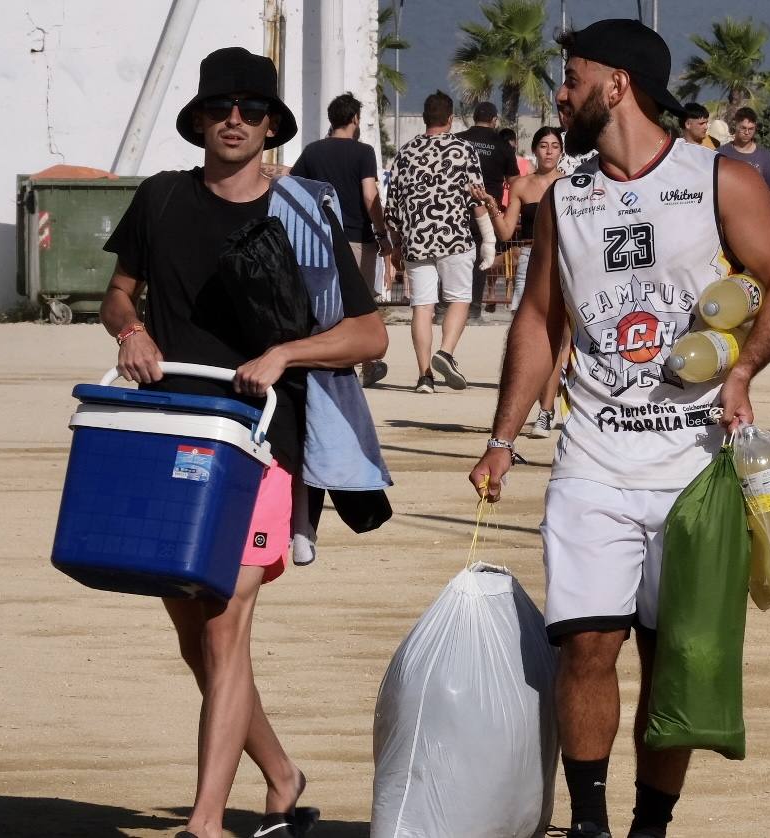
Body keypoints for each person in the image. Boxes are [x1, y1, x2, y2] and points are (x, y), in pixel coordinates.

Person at [468, 19, 770, 838]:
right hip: (593, 453)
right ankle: (588, 824)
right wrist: (501, 437)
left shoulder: (717, 178)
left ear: (616, 84)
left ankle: (648, 828)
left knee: (671, 660)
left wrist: (741, 369)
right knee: (585, 643)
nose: (560, 92)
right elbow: (538, 317)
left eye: (572, 76)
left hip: (695, 463)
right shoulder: (567, 197)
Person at [98, 47, 388, 838]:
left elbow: (366, 333)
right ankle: (282, 773)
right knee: (197, 635)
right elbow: (119, 293)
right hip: (166, 430)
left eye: (252, 110)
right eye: (222, 107)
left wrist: (284, 353)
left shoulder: (302, 211)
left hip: (261, 442)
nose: (235, 119)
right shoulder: (158, 200)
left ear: (270, 127)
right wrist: (128, 330)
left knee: (223, 617)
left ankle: (202, 824)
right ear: (198, 119)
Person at [384, 90, 496, 393]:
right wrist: (489, 239)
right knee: (459, 298)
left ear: (424, 118)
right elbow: (477, 199)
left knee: (422, 307)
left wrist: (395, 244)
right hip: (454, 238)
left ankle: (424, 377)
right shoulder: (463, 150)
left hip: (416, 241)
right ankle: (445, 352)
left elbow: (392, 207)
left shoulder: (404, 153)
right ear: (450, 119)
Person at [470, 126, 567, 437]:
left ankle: (546, 411)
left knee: (557, 338)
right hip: (530, 259)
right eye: (543, 145)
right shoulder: (523, 186)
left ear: (561, 151)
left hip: (565, 262)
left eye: (554, 145)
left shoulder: (571, 184)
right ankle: (523, 409)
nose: (549, 151)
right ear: (535, 150)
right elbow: (505, 232)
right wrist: (490, 205)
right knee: (527, 336)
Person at [290, 92, 393, 386]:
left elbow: (297, 185)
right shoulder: (363, 153)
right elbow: (370, 195)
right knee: (360, 302)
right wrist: (382, 233)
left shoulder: (312, 151)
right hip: (357, 236)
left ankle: (326, 359)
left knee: (325, 301)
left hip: (320, 237)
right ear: (355, 119)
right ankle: (367, 363)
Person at [458, 101, 522, 319]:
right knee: (480, 259)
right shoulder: (502, 145)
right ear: (494, 121)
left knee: (450, 257)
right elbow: (515, 181)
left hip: (455, 209)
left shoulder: (458, 139)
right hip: (486, 209)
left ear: (474, 117)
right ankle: (473, 309)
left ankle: (444, 308)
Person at [716, 106, 770, 203]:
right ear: (735, 126)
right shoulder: (720, 154)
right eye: (743, 128)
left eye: (751, 129)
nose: (747, 132)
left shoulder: (765, 157)